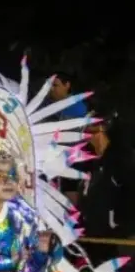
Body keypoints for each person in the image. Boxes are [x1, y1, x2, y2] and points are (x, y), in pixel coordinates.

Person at [78, 111, 135, 272]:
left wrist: (122, 226)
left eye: (89, 128)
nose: (85, 134)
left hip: (118, 240)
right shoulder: (94, 163)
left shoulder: (122, 162)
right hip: (96, 238)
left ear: (102, 129)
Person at [48, 75, 90, 205]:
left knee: (71, 197)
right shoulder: (66, 106)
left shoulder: (75, 107)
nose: (52, 90)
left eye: (56, 85)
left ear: (67, 85)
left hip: (71, 159)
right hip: (66, 159)